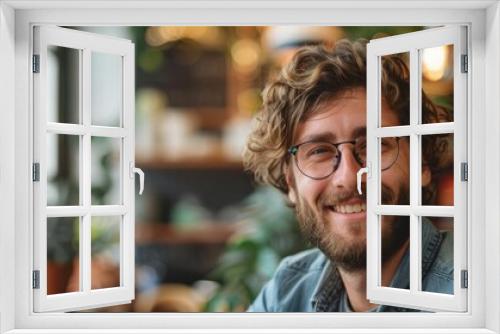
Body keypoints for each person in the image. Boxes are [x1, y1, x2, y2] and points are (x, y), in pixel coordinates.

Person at [243, 39, 454, 312]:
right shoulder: (286, 294)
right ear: (290, 182)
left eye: (376, 144)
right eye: (319, 151)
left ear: (422, 163)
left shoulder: (472, 294)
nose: (348, 176)